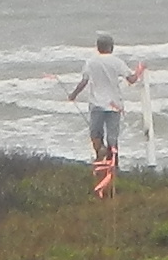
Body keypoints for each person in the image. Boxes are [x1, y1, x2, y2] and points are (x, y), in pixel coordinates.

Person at [62, 36, 146, 188]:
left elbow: (84, 81)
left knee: (95, 134)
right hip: (114, 105)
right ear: (111, 47)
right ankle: (114, 168)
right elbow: (132, 79)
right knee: (112, 138)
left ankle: (100, 160)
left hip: (96, 104)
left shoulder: (91, 62)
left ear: (97, 47)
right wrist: (140, 71)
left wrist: (73, 94)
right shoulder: (117, 62)